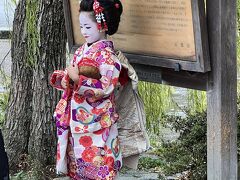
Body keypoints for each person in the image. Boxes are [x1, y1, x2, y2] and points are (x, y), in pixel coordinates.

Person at [50, 0, 123, 179]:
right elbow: (73, 76)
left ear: (102, 26)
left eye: (88, 27)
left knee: (100, 167)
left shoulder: (108, 57)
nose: (83, 32)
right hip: (77, 120)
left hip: (97, 121)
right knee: (78, 167)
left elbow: (104, 88)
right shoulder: (82, 50)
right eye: (81, 26)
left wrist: (77, 79)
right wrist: (67, 78)